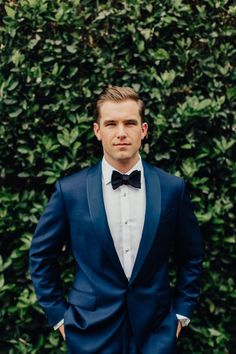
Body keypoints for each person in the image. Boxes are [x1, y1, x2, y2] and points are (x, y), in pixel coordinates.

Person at [29, 86, 203, 354]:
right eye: (111, 123)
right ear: (97, 131)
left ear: (143, 130)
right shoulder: (70, 191)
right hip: (89, 332)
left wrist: (181, 314)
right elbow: (41, 256)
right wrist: (60, 318)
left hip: (155, 334)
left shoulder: (172, 189)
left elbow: (191, 255)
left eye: (129, 123)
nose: (121, 132)